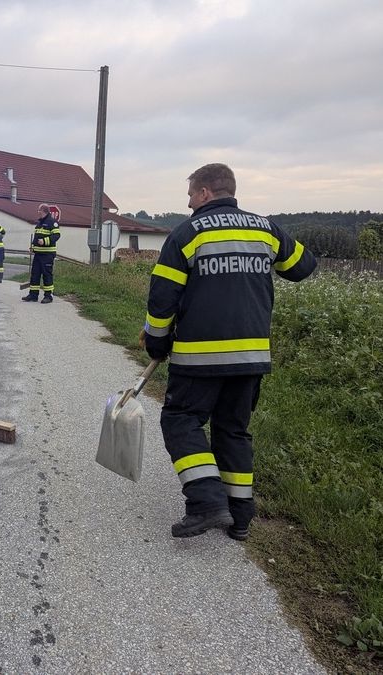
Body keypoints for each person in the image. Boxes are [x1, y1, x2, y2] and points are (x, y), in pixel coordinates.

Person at [141, 163, 316, 539]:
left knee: (181, 420)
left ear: (205, 192)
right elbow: (303, 267)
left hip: (198, 358)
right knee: (233, 430)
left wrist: (156, 341)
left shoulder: (186, 234)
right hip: (251, 357)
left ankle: (206, 501)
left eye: (190, 194)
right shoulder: (266, 229)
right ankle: (240, 515)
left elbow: (162, 297)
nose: (188, 203)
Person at [22, 204, 61, 303]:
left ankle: (48, 296)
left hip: (47, 254)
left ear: (43, 211)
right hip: (38, 254)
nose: (37, 212)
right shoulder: (39, 223)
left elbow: (56, 235)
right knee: (35, 274)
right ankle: (33, 295)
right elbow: (36, 238)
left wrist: (45, 241)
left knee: (47, 275)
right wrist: (33, 248)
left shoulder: (52, 222)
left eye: (38, 210)